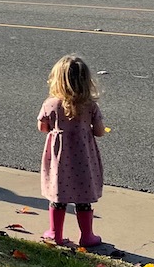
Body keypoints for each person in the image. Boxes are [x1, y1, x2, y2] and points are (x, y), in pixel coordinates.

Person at [37, 53, 106, 246]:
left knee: (58, 195)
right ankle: (86, 236)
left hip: (60, 156)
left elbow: (43, 127)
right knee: (83, 197)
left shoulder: (51, 104)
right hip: (83, 156)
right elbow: (99, 131)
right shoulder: (90, 106)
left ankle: (55, 234)